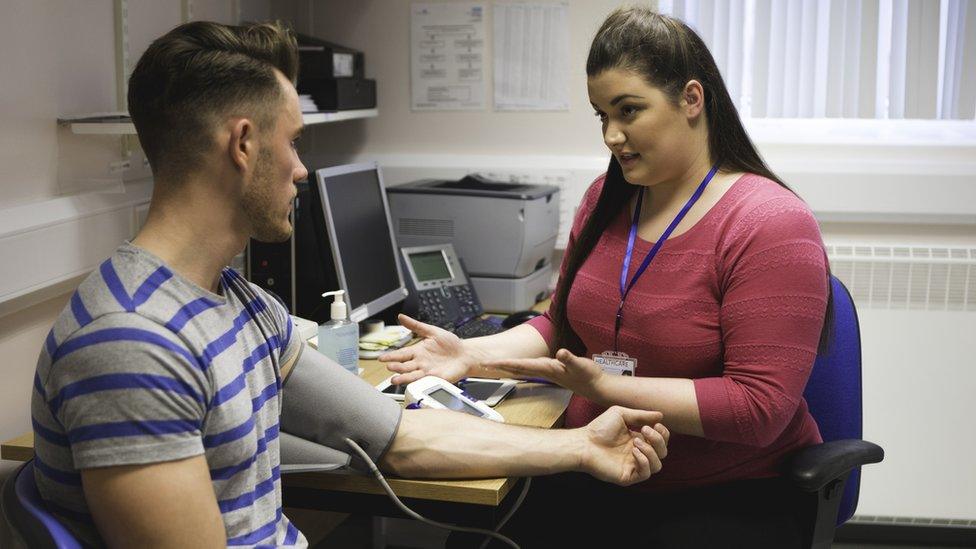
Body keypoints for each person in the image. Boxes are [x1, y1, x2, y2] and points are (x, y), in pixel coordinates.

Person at [28, 21, 670, 548]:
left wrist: (581, 447)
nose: (303, 171)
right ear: (244, 144)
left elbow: (401, 437)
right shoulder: (131, 345)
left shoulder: (239, 303)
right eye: (295, 143)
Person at [382, 7, 831, 547]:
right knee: (472, 536)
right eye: (601, 116)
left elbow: (759, 408)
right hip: (597, 460)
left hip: (725, 490)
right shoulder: (606, 199)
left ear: (691, 99)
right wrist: (472, 354)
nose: (612, 136)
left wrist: (608, 386)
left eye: (629, 111)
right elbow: (561, 325)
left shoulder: (770, 223)